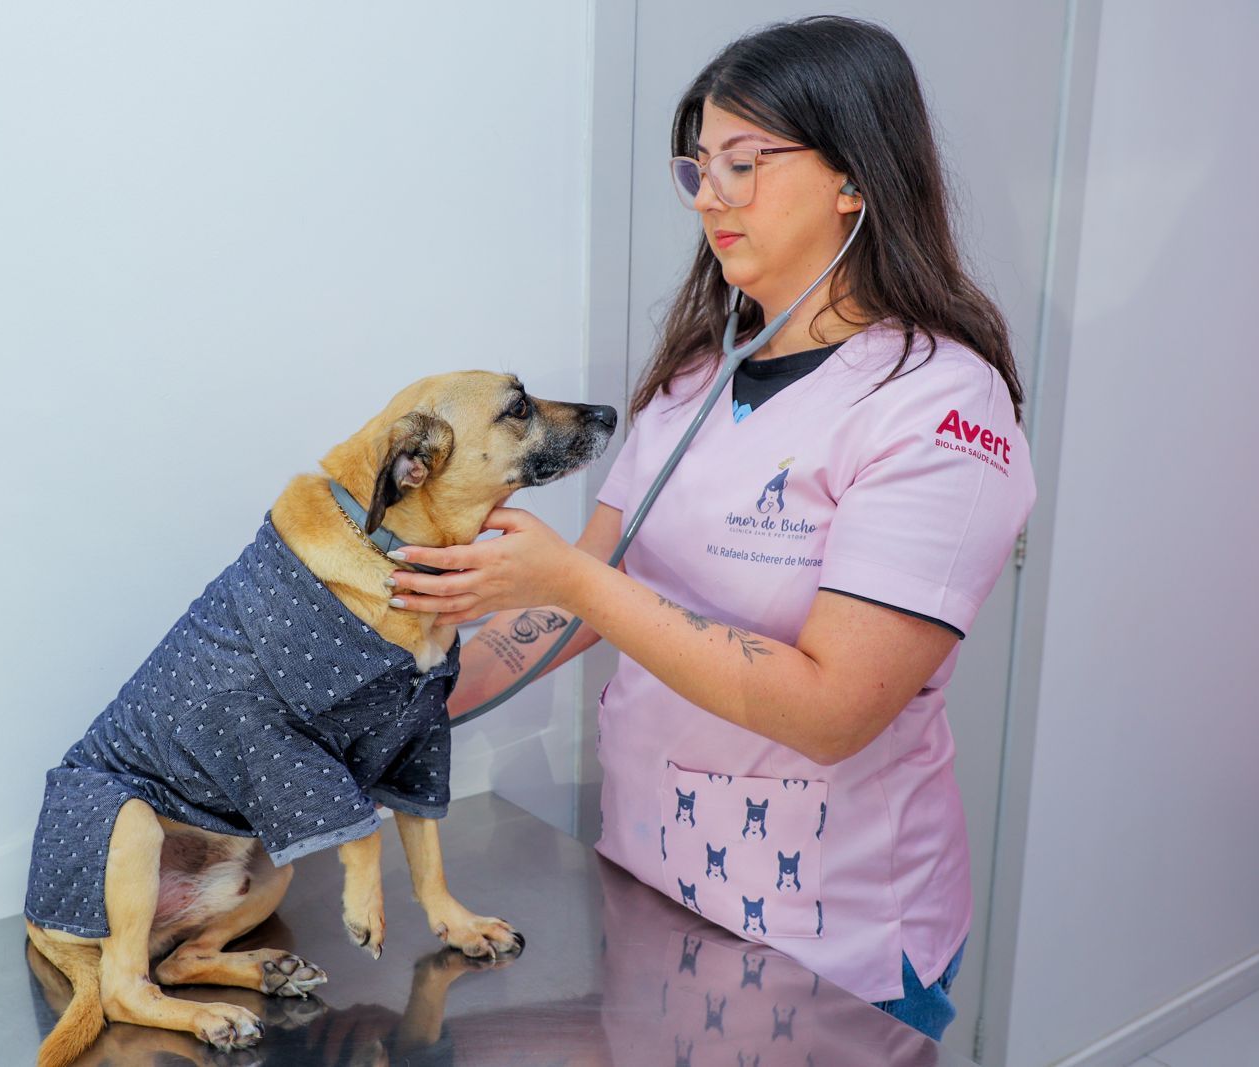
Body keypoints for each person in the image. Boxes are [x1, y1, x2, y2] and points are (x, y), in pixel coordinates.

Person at [385, 15, 1035, 1041]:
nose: (708, 197)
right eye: (699, 168)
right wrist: (388, 713)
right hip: (653, 891)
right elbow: (575, 601)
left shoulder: (940, 408)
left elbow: (833, 709)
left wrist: (572, 581)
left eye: (744, 163)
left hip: (827, 938)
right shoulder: (697, 376)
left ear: (853, 177)